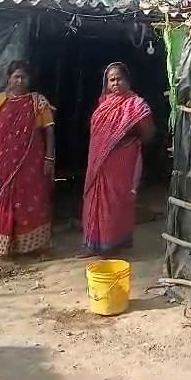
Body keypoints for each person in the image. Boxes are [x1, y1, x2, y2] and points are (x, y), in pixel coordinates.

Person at [0, 60, 56, 257]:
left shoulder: (37, 101)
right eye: (16, 76)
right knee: (9, 197)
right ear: (9, 79)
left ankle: (35, 246)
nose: (20, 80)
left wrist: (50, 157)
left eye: (24, 77)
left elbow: (49, 129)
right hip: (7, 160)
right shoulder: (1, 99)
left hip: (32, 159)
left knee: (34, 198)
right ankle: (9, 246)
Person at [81, 62, 155, 256]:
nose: (115, 82)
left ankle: (114, 243)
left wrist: (130, 142)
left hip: (122, 159)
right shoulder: (103, 104)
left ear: (127, 80)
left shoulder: (136, 104)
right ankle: (94, 243)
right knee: (94, 200)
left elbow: (148, 131)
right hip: (98, 162)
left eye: (119, 78)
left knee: (117, 200)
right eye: (111, 79)